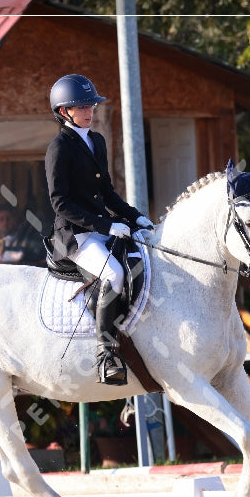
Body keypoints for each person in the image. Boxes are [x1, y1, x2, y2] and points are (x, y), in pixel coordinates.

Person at [45, 74, 154, 386]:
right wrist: (107, 224)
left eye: (90, 104)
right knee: (114, 275)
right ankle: (106, 354)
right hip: (75, 236)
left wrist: (136, 218)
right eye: (81, 106)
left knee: (142, 259)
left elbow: (107, 194)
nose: (89, 110)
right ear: (64, 112)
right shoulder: (59, 148)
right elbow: (60, 203)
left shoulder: (97, 141)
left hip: (103, 228)